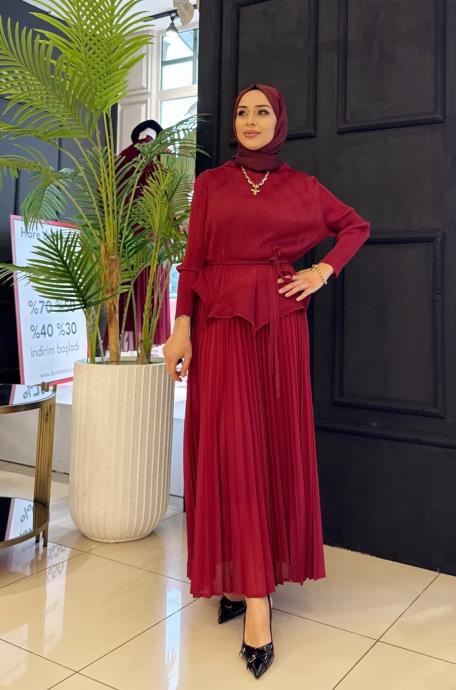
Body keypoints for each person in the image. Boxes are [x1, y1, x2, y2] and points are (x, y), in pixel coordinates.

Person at [163, 82, 370, 679]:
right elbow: (194, 261)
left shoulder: (301, 187)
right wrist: (180, 329)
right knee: (231, 452)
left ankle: (256, 597)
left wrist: (321, 272)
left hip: (280, 331)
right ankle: (243, 582)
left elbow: (356, 227)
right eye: (241, 112)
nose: (250, 120)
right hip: (220, 328)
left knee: (269, 451)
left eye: (262, 112)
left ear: (279, 121)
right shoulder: (211, 184)